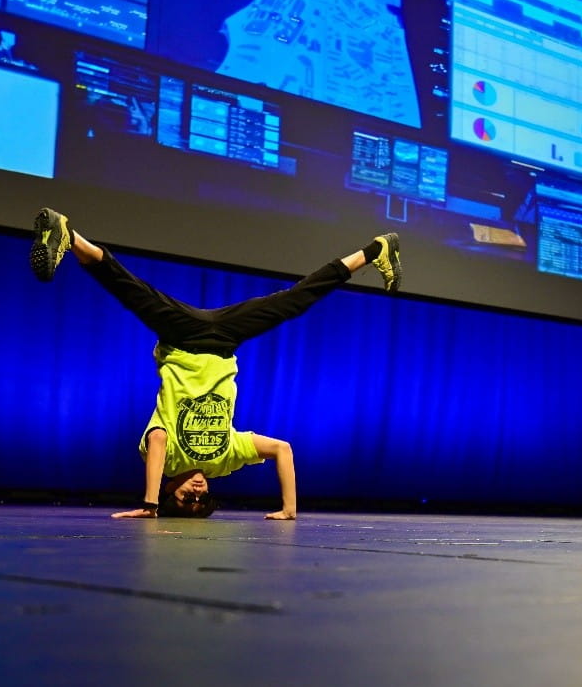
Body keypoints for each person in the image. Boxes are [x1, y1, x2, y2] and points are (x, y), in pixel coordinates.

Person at [29, 207, 402, 521]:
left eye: (184, 499)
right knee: (295, 300)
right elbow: (282, 449)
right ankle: (374, 251)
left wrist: (149, 503)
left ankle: (69, 235)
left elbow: (157, 439)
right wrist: (289, 509)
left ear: (169, 487)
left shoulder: (169, 458)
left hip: (184, 339)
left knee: (129, 288)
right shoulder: (223, 461)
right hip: (224, 340)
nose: (195, 492)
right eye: (201, 500)